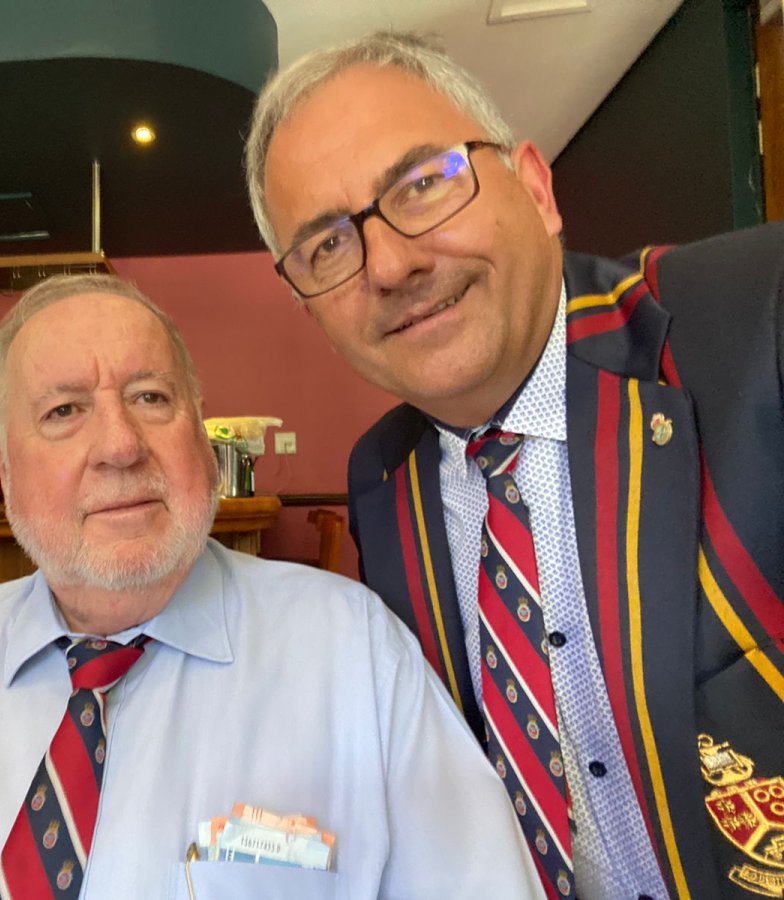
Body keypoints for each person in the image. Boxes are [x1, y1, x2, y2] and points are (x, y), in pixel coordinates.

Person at [0, 273, 538, 898]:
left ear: (200, 437)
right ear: (6, 471)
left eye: (150, 397)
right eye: (64, 411)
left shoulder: (356, 659)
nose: (119, 445)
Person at [246, 28, 784, 900]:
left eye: (423, 184)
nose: (391, 264)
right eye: (328, 246)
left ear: (535, 187)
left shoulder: (758, 310)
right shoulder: (383, 479)